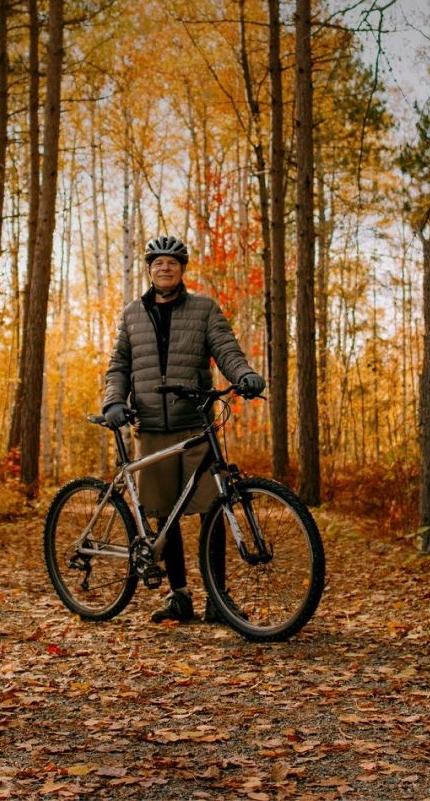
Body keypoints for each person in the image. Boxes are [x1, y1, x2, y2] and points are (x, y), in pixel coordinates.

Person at [101, 234, 266, 623]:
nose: (165, 267)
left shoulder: (205, 309)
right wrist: (113, 401)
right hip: (152, 426)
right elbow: (119, 365)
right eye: (157, 262)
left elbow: (227, 349)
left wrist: (245, 374)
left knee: (213, 508)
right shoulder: (131, 314)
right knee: (164, 515)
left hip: (195, 423)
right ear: (149, 269)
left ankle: (218, 600)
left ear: (182, 268)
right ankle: (179, 596)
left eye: (172, 262)